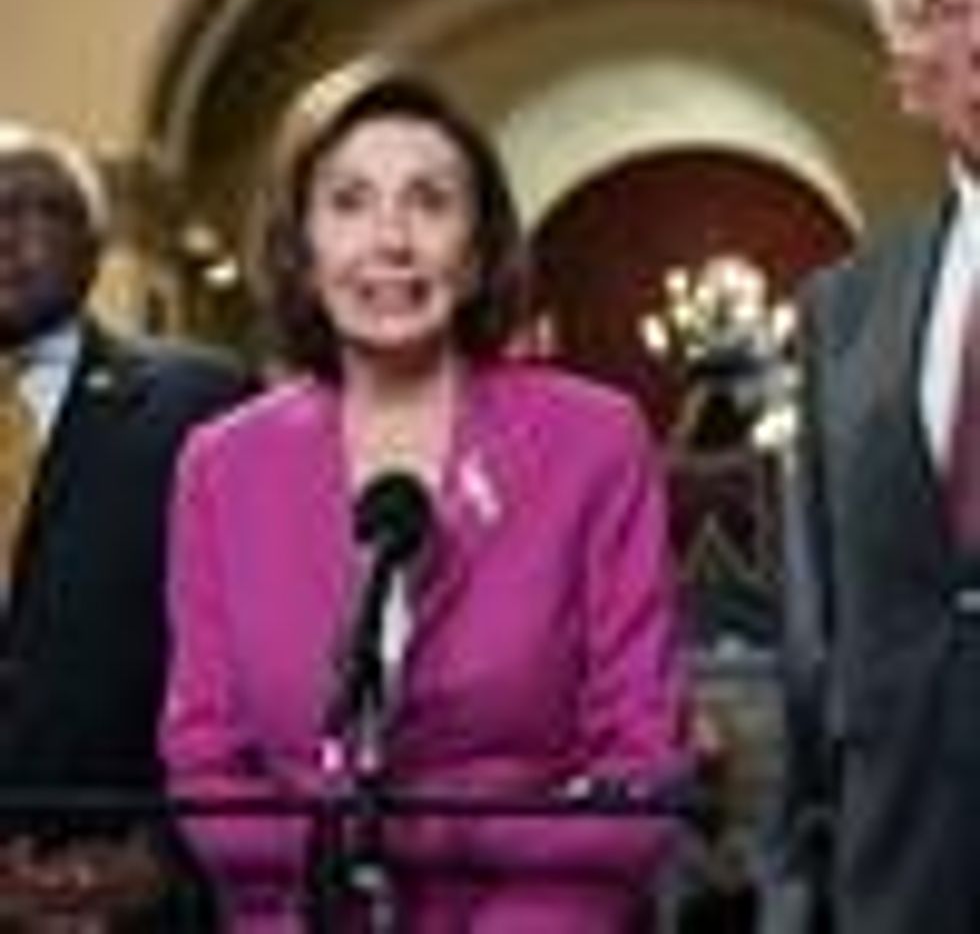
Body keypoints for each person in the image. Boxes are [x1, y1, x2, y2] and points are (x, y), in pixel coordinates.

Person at [160, 58, 691, 932]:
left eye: (431, 202)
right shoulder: (220, 467)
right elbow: (206, 761)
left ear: (479, 252)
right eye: (349, 203)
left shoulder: (597, 439)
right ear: (301, 246)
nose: (391, 241)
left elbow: (642, 756)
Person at [0, 121, 255, 921]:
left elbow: (261, 665)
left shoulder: (202, 406)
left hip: (126, 886)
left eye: (33, 208)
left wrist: (170, 855)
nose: (3, 234)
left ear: (96, 240)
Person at [782, 0, 980, 931]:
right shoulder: (841, 307)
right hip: (901, 861)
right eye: (948, 8)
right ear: (904, 75)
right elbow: (816, 617)